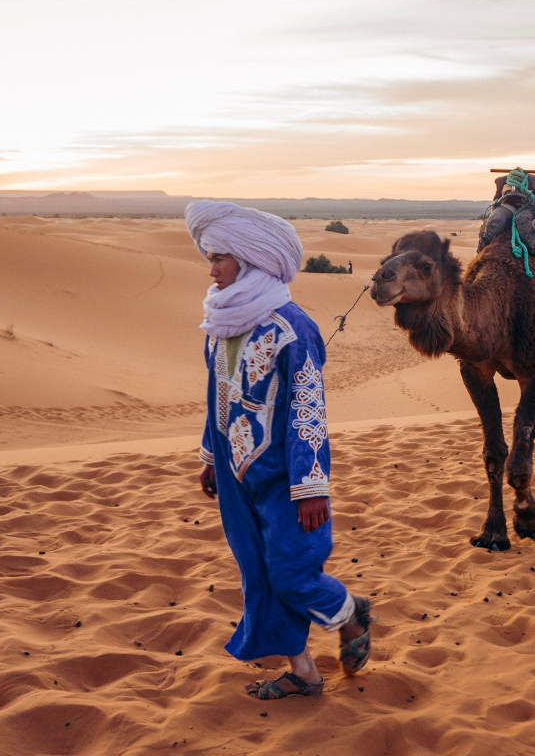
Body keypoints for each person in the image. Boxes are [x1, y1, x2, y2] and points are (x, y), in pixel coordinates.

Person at [186, 200, 371, 700]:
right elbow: (217, 394)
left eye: (220, 258)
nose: (212, 269)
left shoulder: (292, 328)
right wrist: (210, 457)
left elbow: (309, 411)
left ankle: (349, 612)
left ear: (247, 261)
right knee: (259, 573)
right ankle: (305, 672)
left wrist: (312, 486)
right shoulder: (220, 322)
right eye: (212, 258)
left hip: (287, 479)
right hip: (235, 473)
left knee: (291, 573)